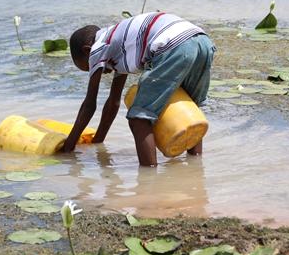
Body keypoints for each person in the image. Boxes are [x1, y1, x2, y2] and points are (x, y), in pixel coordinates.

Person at [61, 11, 215, 166]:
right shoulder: (117, 44)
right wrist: (97, 142)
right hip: (202, 41)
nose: (101, 71)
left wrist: (68, 147)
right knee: (190, 115)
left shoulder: (97, 48)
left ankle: (148, 178)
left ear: (87, 50)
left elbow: (89, 105)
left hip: (173, 44)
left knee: (139, 119)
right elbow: (113, 102)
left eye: (88, 67)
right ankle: (196, 167)